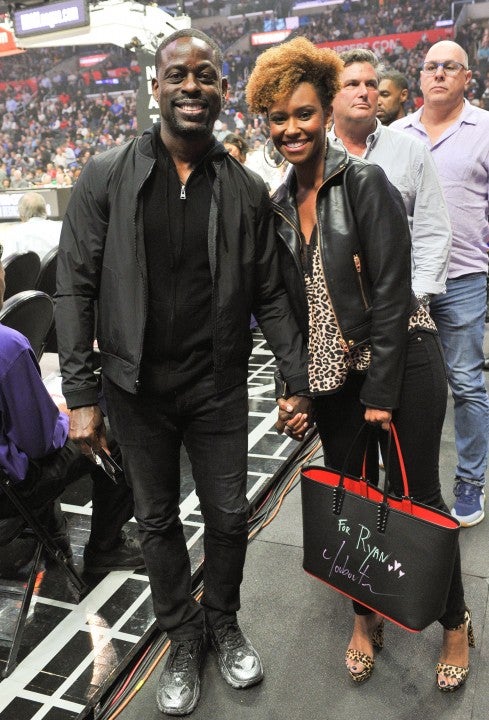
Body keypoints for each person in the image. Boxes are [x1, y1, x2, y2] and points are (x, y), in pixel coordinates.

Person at [55, 28, 309, 717]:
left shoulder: (245, 190)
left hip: (216, 384)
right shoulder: (105, 175)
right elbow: (73, 289)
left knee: (228, 516)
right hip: (134, 390)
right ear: (156, 87)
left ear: (223, 91)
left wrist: (294, 380)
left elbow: (270, 295)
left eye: (205, 76)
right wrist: (81, 395)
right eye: (178, 75)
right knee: (156, 519)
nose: (191, 87)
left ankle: (222, 620)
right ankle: (181, 636)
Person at [246, 35, 473, 693]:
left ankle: (453, 623)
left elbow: (394, 293)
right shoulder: (279, 207)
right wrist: (295, 388)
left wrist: (379, 389)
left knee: (417, 503)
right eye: (278, 117)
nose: (291, 128)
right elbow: (285, 309)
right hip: (332, 380)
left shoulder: (366, 181)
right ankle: (364, 616)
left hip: (402, 364)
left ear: (323, 115)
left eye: (303, 114)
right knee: (351, 504)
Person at [0, 247, 144, 576]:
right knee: (112, 432)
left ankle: (50, 530)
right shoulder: (8, 345)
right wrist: (64, 418)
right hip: (8, 491)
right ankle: (106, 548)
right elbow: (40, 443)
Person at [392, 40, 489, 527]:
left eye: (449, 67)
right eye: (431, 67)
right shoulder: (396, 133)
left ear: (466, 77)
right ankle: (412, 484)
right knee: (409, 387)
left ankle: (470, 482)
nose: (438, 75)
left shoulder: (486, 130)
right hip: (407, 282)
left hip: (466, 276)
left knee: (467, 383)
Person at [330, 48, 451, 306]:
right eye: (352, 84)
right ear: (331, 94)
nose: (364, 92)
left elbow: (433, 231)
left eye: (371, 84)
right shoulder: (314, 155)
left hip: (400, 304)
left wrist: (417, 298)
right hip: (337, 311)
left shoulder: (412, 151)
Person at [2, 192, 62, 260]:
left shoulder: (14, 233)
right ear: (45, 209)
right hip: (59, 269)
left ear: (21, 212)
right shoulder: (61, 227)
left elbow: (6, 264)